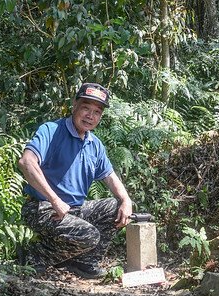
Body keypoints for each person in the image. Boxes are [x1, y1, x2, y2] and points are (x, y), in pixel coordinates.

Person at [17, 83, 134, 278]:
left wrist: (126, 200)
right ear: (74, 106)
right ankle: (32, 256)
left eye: (97, 112)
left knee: (116, 207)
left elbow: (110, 177)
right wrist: (54, 200)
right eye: (86, 108)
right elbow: (26, 162)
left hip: (74, 210)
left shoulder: (94, 144)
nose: (90, 115)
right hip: (42, 208)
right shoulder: (52, 130)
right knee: (89, 235)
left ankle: (84, 263)